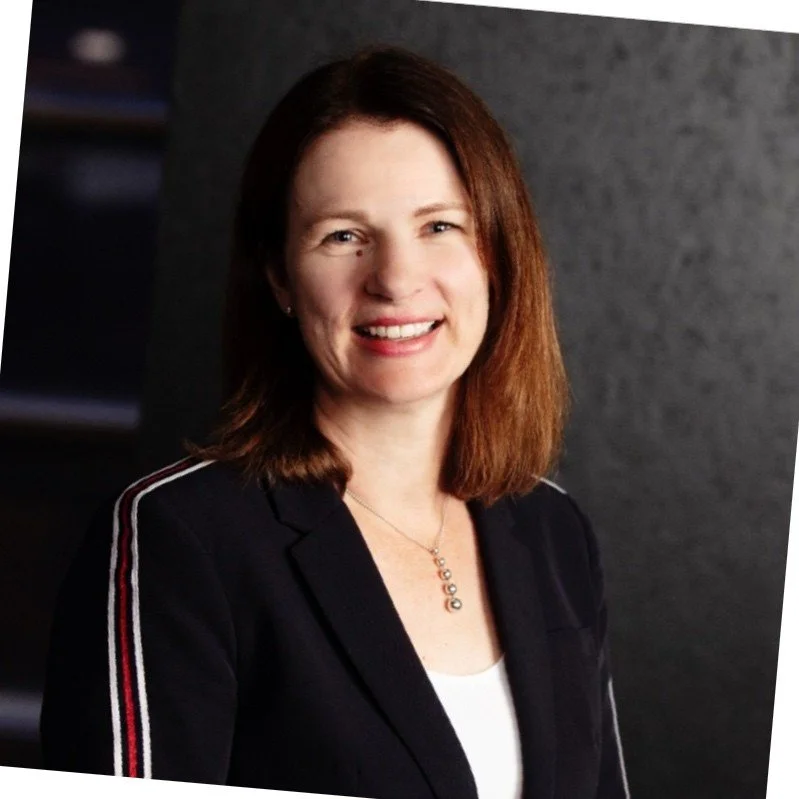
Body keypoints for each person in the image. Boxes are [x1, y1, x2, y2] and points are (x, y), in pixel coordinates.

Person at [40, 46, 630, 799]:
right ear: (281, 277)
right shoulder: (176, 537)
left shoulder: (554, 531)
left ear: (497, 255)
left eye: (439, 226)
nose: (394, 278)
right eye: (343, 236)